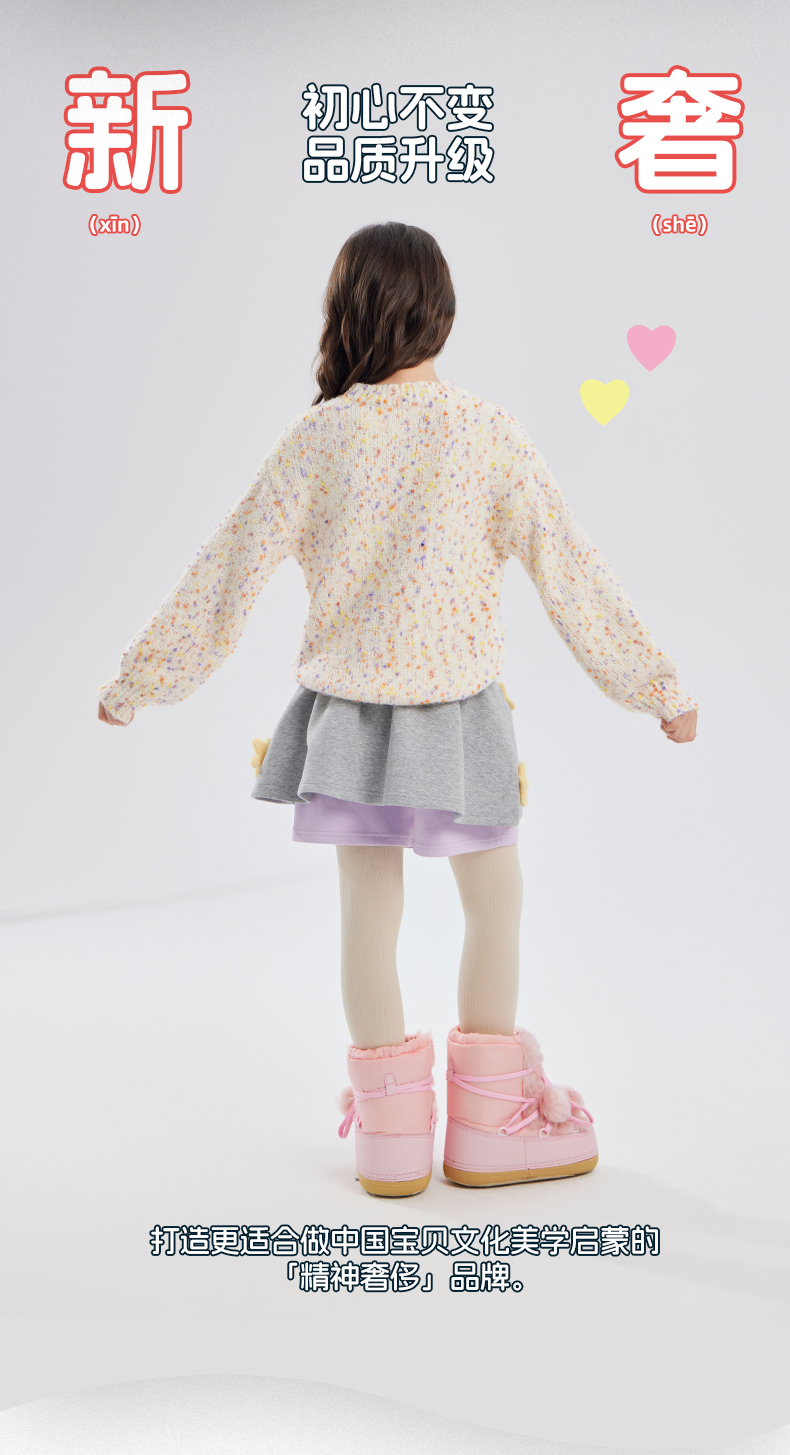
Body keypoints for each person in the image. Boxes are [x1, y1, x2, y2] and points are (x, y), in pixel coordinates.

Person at [98, 221, 697, 1198]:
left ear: (345, 312)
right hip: (459, 718)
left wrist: (142, 680)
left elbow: (227, 568)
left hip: (351, 722)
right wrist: (656, 687)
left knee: (366, 911)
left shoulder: (319, 437)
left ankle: (389, 1137)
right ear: (440, 314)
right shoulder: (487, 431)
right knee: (495, 900)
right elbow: (571, 571)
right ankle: (491, 1123)